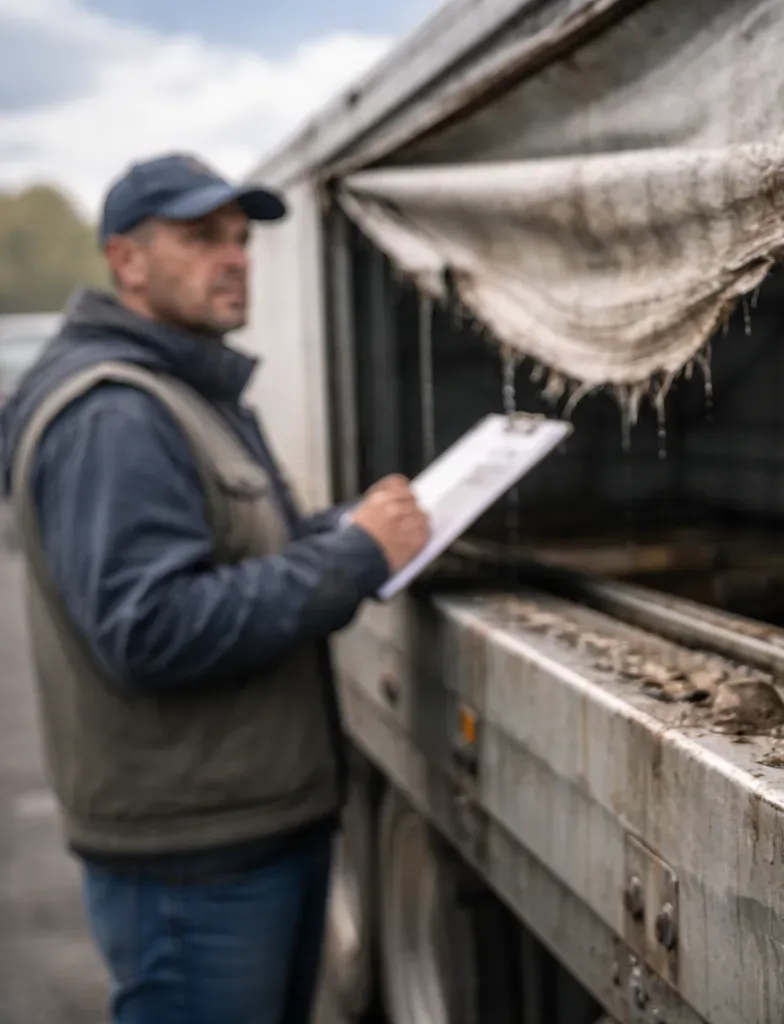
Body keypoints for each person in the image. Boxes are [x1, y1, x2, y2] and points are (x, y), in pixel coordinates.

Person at [0, 153, 430, 1024]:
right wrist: (352, 562)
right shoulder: (116, 413)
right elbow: (153, 628)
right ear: (127, 261)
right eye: (201, 238)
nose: (234, 257)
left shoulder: (186, 388)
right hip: (194, 865)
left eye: (240, 239)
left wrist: (351, 529)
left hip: (241, 835)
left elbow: (233, 554)